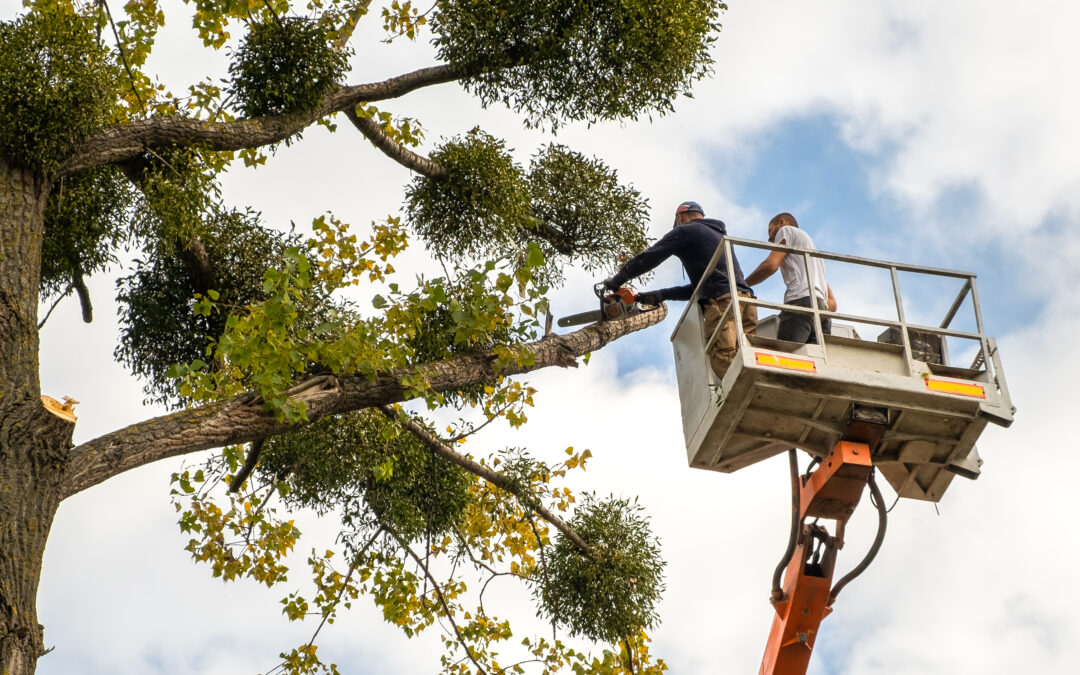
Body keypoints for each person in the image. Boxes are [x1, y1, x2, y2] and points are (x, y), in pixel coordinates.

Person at [603, 201, 757, 378]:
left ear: (680, 217)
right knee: (746, 357)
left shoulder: (685, 230)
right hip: (745, 301)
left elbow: (651, 256)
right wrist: (659, 295)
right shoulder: (718, 235)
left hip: (723, 303)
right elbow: (700, 288)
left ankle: (745, 401)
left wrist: (618, 279)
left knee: (724, 357)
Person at [744, 212, 837, 343]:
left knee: (787, 360)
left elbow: (771, 265)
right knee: (810, 362)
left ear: (781, 222)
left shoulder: (786, 230)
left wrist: (744, 284)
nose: (770, 239)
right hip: (822, 314)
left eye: (770, 231)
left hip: (800, 303)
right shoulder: (815, 257)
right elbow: (832, 304)